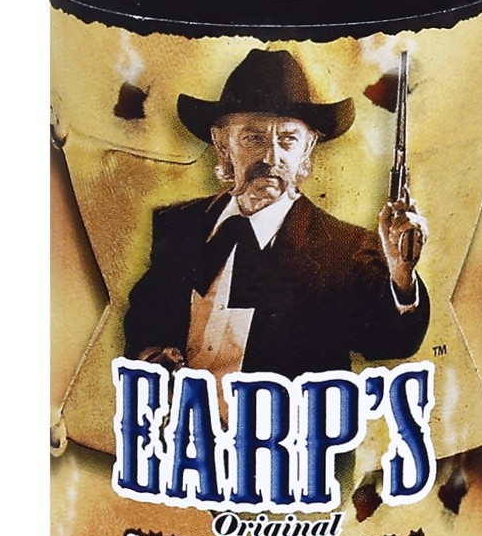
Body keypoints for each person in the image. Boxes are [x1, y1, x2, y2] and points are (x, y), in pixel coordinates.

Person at [123, 48, 430, 380]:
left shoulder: (344, 249)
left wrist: (401, 277)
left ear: (306, 149)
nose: (271, 157)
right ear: (223, 144)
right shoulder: (180, 224)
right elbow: (146, 315)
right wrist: (151, 355)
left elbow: (390, 340)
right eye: (253, 138)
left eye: (287, 139)